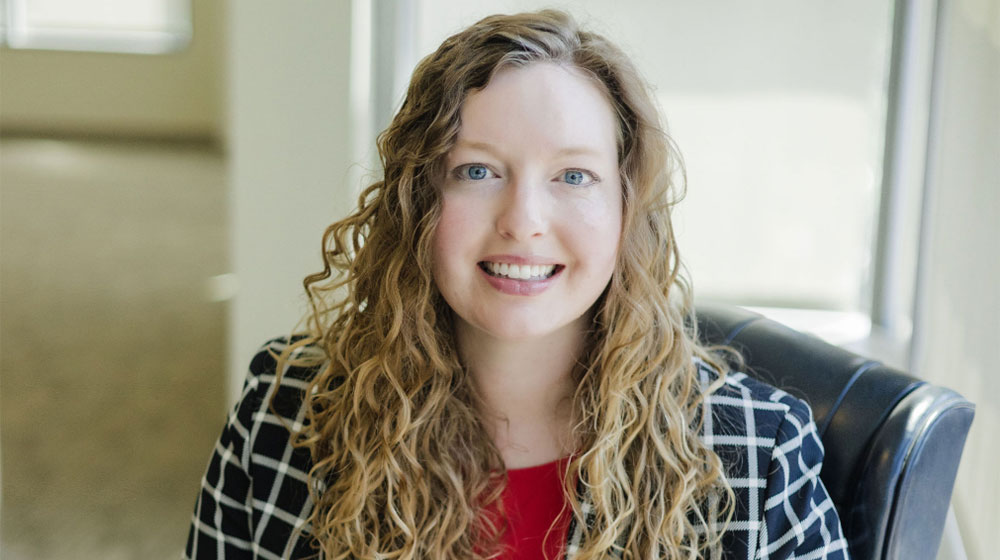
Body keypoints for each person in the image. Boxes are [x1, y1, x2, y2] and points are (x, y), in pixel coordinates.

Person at [185, 10, 848, 560]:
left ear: (626, 212)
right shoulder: (287, 413)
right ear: (417, 202)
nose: (523, 222)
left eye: (573, 176)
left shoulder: (754, 453)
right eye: (477, 172)